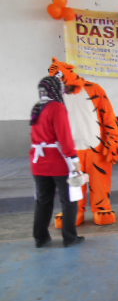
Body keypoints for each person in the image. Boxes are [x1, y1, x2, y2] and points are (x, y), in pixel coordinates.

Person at [30, 76, 85, 248]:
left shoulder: (37, 107)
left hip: (39, 161)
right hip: (58, 161)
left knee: (43, 201)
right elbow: (64, 137)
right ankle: (70, 237)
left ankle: (40, 238)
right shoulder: (57, 108)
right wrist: (74, 159)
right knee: (69, 200)